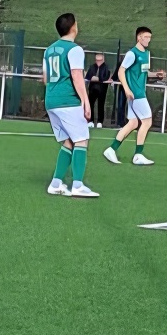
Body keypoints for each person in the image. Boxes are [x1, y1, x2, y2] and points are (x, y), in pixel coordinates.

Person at [43, 13, 99, 198]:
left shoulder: (49, 50)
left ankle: (55, 184)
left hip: (51, 100)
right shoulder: (75, 49)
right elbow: (76, 76)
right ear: (74, 27)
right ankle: (78, 185)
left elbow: (45, 79)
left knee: (68, 141)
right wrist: (85, 101)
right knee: (81, 140)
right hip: (67, 100)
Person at [104, 28, 167, 166]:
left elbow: (144, 72)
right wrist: (127, 89)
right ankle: (138, 155)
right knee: (147, 122)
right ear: (139, 37)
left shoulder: (147, 54)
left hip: (137, 93)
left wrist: (156, 75)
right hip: (136, 94)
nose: (148, 40)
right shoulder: (132, 54)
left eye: (150, 37)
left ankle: (111, 149)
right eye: (146, 37)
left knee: (133, 123)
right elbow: (121, 72)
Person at [85, 53, 111, 128]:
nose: (98, 62)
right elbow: (87, 76)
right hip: (92, 89)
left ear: (103, 60)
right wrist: (91, 78)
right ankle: (90, 121)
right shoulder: (92, 67)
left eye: (100, 60)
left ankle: (100, 121)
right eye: (97, 60)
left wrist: (98, 79)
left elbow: (106, 77)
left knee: (101, 105)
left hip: (102, 89)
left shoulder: (106, 67)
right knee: (91, 104)